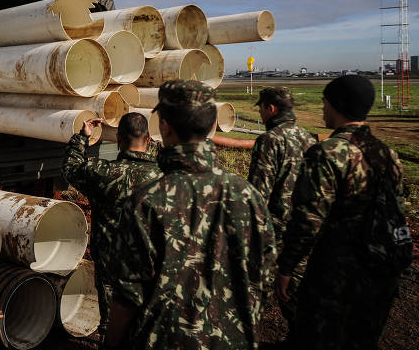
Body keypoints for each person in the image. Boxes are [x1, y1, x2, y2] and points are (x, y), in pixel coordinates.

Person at [108, 80, 276, 349]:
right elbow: (263, 277)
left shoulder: (146, 201)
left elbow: (127, 296)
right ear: (212, 127)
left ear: (164, 126)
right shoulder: (248, 196)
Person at [277, 75, 409, 349]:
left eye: (325, 103)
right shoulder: (387, 153)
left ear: (336, 106)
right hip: (383, 269)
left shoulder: (327, 153)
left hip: (338, 273)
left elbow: (308, 220)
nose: (323, 109)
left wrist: (287, 267)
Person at [61, 112, 160, 343]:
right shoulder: (164, 176)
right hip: (151, 264)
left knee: (112, 323)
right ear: (148, 139)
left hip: (111, 262)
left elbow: (71, 168)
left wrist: (82, 138)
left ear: (119, 139)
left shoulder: (102, 173)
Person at [247, 86, 316, 320]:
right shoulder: (308, 138)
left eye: (262, 109)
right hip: (304, 228)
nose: (261, 114)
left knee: (262, 290)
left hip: (276, 231)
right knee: (298, 289)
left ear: (271, 108)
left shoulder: (270, 140)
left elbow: (259, 193)